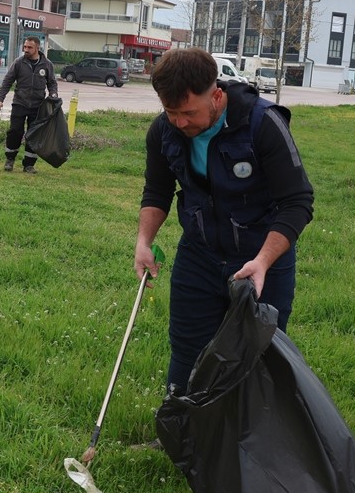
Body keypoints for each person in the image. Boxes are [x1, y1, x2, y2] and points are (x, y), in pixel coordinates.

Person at [133, 48, 314, 394]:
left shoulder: (263, 123)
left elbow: (297, 201)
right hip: (199, 255)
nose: (179, 123)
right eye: (171, 112)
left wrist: (263, 261)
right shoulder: (163, 131)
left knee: (260, 356)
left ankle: (251, 427)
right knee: (187, 349)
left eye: (189, 112)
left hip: (261, 259)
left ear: (216, 96)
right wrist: (144, 242)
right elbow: (157, 191)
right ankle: (184, 424)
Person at [0, 36, 59, 172]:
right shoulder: (19, 63)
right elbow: (7, 81)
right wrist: (0, 99)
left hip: (38, 106)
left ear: (37, 48)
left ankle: (29, 164)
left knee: (34, 135)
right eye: (25, 47)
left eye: (29, 47)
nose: (26, 49)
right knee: (15, 132)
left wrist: (53, 95)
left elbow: (52, 83)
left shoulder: (47, 64)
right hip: (20, 103)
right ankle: (10, 160)